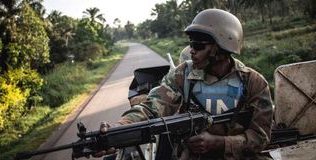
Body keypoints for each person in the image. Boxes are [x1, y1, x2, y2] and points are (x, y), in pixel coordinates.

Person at [95, 9, 273, 160]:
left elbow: (260, 138)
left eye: (199, 45)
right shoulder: (183, 74)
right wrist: (118, 129)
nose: (192, 50)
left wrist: (219, 143)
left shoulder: (253, 83)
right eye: (191, 44)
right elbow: (152, 108)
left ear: (221, 48)